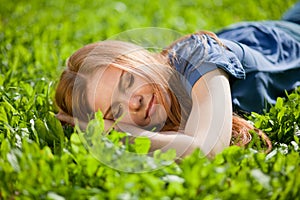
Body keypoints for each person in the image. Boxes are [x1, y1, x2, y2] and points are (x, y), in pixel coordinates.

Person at [55, 3, 300, 158]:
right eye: (116, 110)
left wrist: (110, 130)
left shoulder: (198, 57)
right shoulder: (167, 112)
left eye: (128, 81)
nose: (134, 102)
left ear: (140, 58)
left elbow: (206, 150)